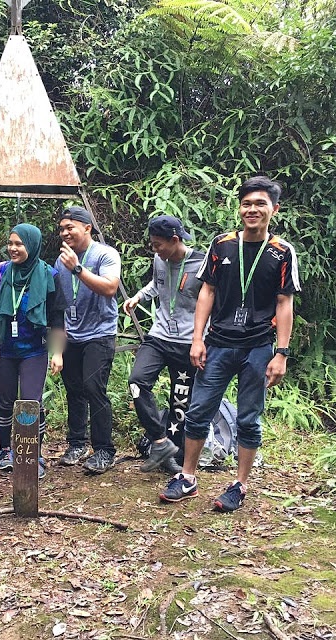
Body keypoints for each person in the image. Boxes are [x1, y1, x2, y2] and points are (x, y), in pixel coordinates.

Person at [159, 176, 301, 511]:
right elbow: (206, 291)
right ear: (239, 208)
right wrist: (197, 339)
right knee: (198, 411)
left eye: (260, 204)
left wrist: (281, 353)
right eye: (247, 203)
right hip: (219, 342)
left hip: (258, 346)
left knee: (249, 418)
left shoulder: (281, 252)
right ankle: (188, 477)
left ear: (274, 209)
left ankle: (239, 484)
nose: (252, 210)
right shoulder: (221, 244)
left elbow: (284, 303)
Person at [0, 223, 66, 479]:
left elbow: (57, 318)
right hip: (4, 348)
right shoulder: (2, 271)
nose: (13, 248)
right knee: (4, 402)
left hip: (34, 350)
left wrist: (58, 353)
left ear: (33, 245)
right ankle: (6, 450)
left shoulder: (49, 274)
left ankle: (33, 455)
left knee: (31, 402)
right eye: (10, 243)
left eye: (19, 244)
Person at [123, 216, 205, 474]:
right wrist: (137, 297)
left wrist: (201, 339)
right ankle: (159, 442)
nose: (155, 250)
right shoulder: (160, 259)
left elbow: (213, 300)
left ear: (175, 240)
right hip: (158, 337)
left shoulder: (202, 264)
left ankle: (175, 459)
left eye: (158, 245)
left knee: (180, 403)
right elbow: (157, 285)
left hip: (187, 343)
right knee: (137, 381)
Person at [55, 206, 122, 474]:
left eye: (70, 227)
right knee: (73, 389)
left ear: (87, 228)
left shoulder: (106, 254)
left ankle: (105, 450)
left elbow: (110, 288)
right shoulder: (60, 261)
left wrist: (78, 268)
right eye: (61, 229)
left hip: (100, 333)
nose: (65, 233)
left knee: (94, 388)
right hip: (72, 333)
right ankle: (77, 443)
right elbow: (59, 300)